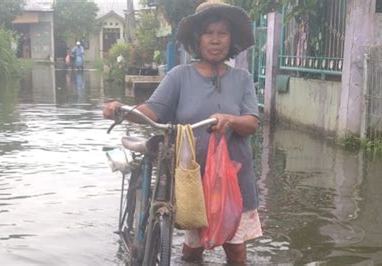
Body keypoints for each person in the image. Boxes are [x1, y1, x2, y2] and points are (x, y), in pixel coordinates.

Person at [103, 0, 262, 264]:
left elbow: (252, 123)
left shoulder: (242, 79)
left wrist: (230, 120)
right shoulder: (179, 76)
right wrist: (123, 111)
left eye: (222, 33)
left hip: (233, 180)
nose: (215, 40)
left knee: (236, 251)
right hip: (193, 180)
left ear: (230, 39)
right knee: (192, 250)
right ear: (197, 39)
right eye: (208, 33)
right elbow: (153, 110)